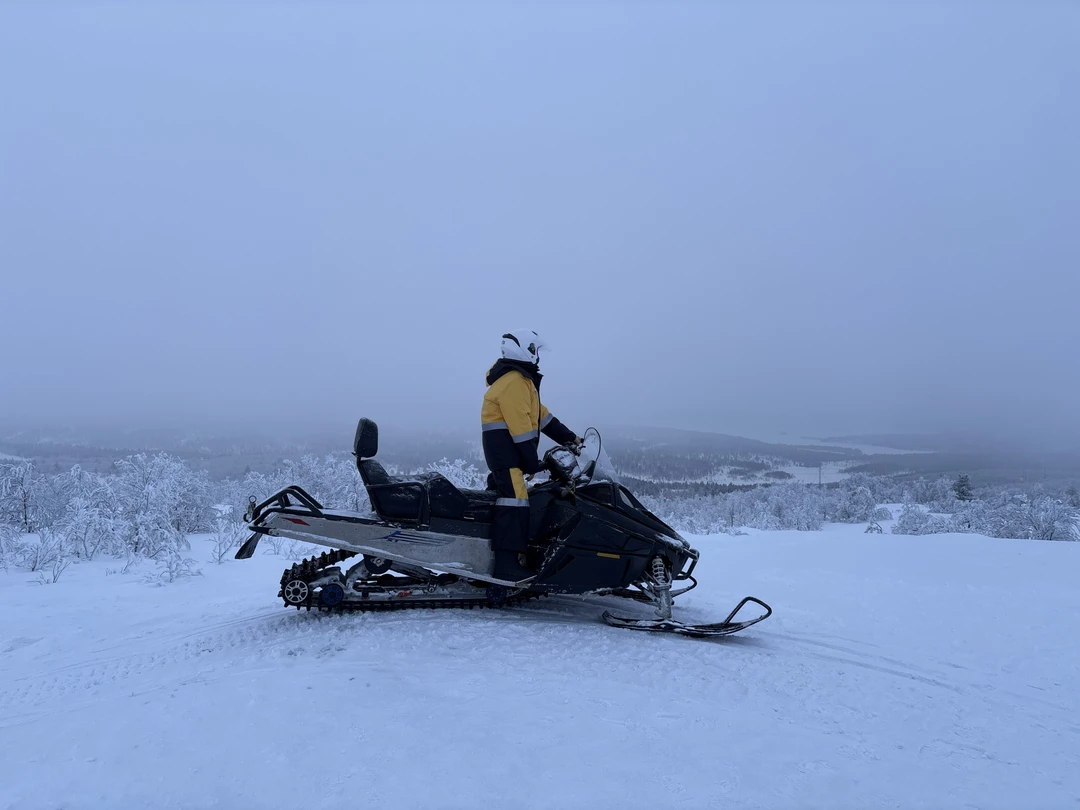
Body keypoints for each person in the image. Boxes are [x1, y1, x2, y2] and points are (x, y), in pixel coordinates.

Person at [481, 330, 582, 582]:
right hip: (507, 457)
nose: (538, 357)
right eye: (536, 350)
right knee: (515, 502)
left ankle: (513, 556)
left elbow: (543, 418)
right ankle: (506, 566)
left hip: (508, 457)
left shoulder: (523, 382)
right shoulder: (514, 382)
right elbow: (521, 431)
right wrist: (531, 463)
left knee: (517, 498)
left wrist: (571, 439)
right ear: (525, 350)